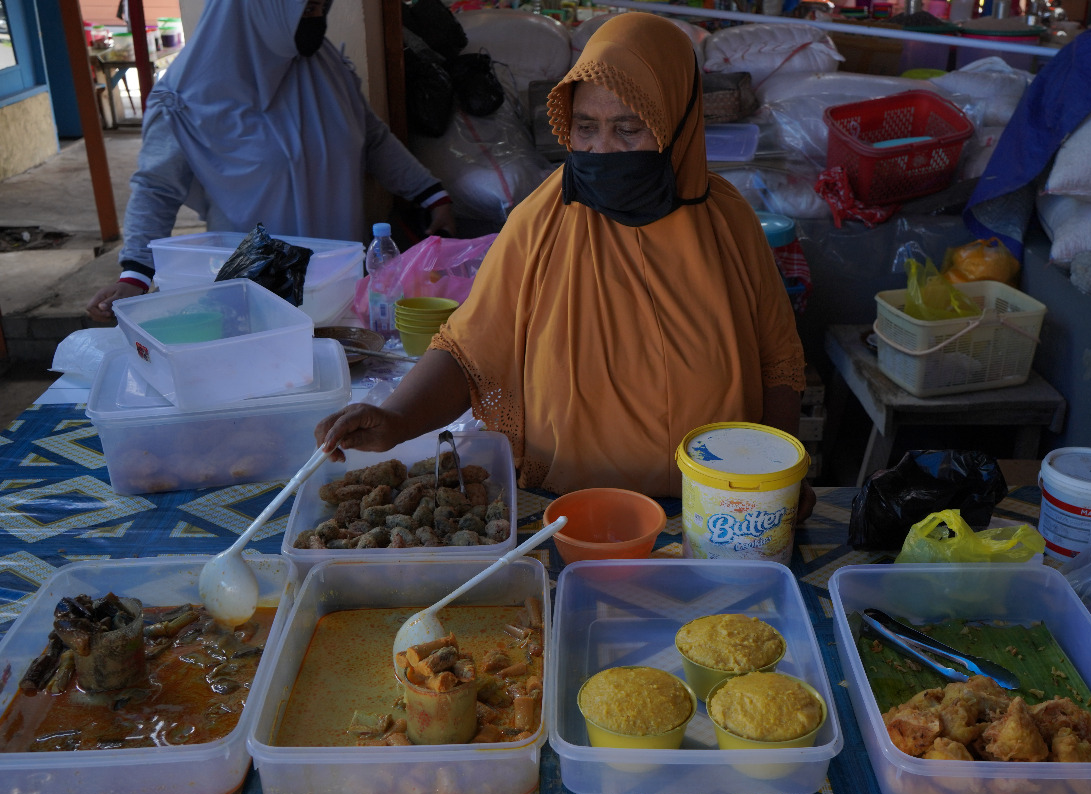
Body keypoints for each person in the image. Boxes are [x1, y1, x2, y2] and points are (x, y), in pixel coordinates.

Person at [316, 11, 814, 520]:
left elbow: (778, 363)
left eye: (628, 129)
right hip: (562, 516)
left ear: (678, 126)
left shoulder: (728, 224)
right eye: (586, 128)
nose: (603, 151)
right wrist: (396, 417)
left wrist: (778, 483)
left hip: (715, 514)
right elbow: (471, 351)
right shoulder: (542, 221)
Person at [86, 0, 455, 323]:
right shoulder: (189, 94)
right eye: (304, 8)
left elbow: (372, 139)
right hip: (251, 290)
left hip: (337, 282)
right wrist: (134, 274)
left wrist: (431, 195)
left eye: (319, 7)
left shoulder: (327, 69)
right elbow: (156, 188)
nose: (315, 18)